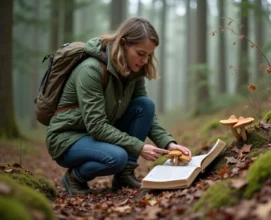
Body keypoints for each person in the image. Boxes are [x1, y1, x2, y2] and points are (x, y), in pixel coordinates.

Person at [46, 17, 192, 195]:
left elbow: (145, 114)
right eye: (140, 53)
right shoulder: (90, 70)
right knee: (117, 157)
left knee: (145, 104)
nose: (145, 60)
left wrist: (168, 143)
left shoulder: (133, 72)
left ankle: (124, 175)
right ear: (123, 43)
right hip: (67, 137)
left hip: (95, 133)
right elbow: (96, 125)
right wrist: (138, 147)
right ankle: (75, 177)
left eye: (149, 55)